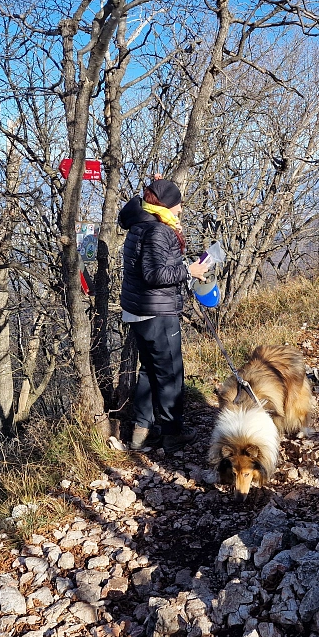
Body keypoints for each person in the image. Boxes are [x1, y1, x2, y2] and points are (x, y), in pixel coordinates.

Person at [118, 178, 212, 451]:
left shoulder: (140, 221)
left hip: (137, 312)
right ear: (166, 205)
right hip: (158, 313)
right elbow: (155, 274)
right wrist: (188, 271)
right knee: (171, 373)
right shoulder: (158, 231)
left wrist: (157, 184)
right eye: (178, 204)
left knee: (148, 370)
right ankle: (172, 434)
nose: (181, 209)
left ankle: (141, 430)